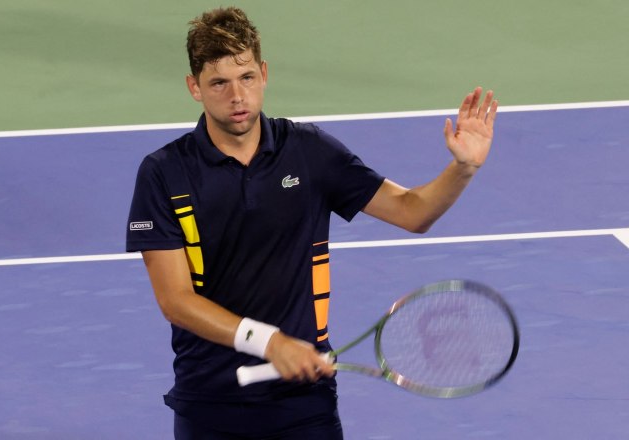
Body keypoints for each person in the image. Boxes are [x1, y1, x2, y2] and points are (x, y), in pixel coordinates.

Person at [126, 6, 497, 440]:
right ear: (195, 87)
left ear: (264, 74)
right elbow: (175, 300)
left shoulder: (309, 151)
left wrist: (463, 168)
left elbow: (412, 212)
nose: (238, 96)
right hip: (209, 399)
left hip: (303, 403)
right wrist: (269, 342)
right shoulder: (165, 173)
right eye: (219, 83)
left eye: (247, 77)